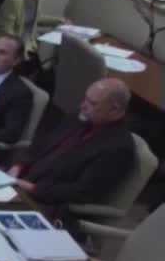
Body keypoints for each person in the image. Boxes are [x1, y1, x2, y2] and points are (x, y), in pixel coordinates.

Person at [8, 78, 135, 209]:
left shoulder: (118, 148)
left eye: (92, 103)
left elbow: (83, 191)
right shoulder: (79, 117)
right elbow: (42, 143)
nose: (82, 105)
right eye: (85, 98)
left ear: (114, 110)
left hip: (47, 202)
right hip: (21, 182)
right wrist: (18, 166)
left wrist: (33, 188)